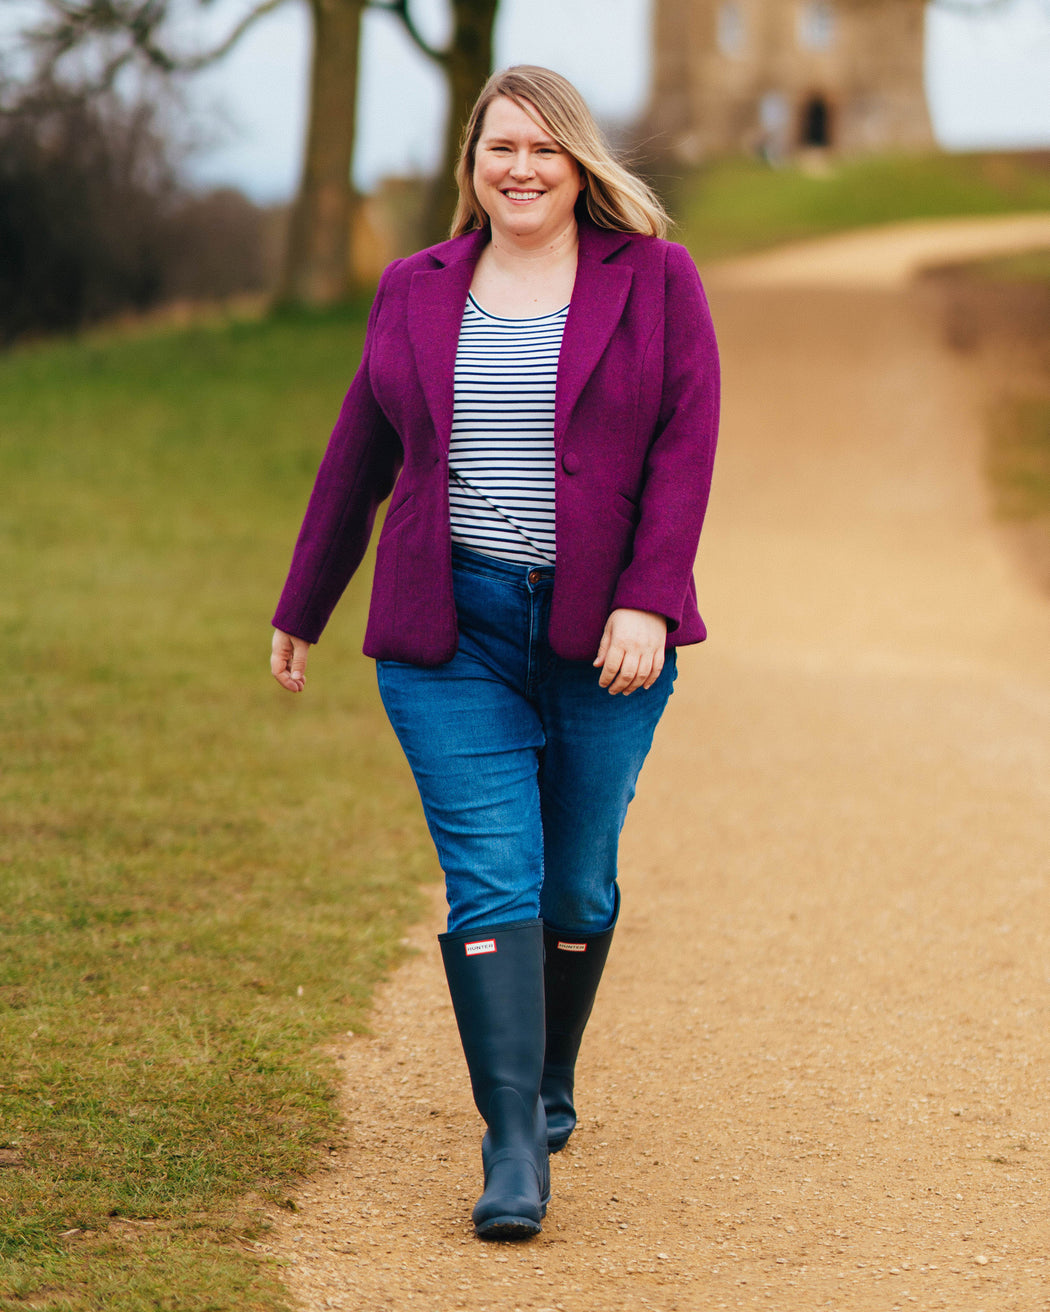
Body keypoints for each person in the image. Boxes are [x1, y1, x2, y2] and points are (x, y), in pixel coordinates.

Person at [271, 65, 720, 1241]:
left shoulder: (658, 281)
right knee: (493, 880)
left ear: (580, 165)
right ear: (472, 165)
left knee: (575, 884)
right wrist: (305, 602)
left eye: (544, 151)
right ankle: (513, 1135)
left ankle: (548, 1076)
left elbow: (685, 447)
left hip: (602, 633)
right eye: (499, 149)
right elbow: (358, 451)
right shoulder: (414, 289)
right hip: (446, 629)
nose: (520, 170)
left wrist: (649, 599)